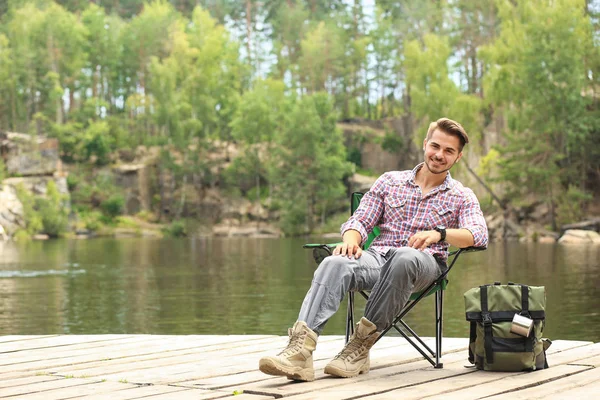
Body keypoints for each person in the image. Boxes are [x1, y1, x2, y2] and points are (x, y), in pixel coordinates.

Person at [258, 117, 488, 382]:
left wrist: (440, 233)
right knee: (335, 262)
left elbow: (478, 235)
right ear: (425, 144)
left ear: (458, 157)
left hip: (424, 267)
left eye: (448, 151)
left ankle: (358, 348)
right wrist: (351, 240)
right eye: (435, 146)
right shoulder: (390, 181)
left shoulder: (462, 195)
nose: (439, 155)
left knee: (405, 257)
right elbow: (360, 220)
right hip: (378, 259)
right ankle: (299, 353)